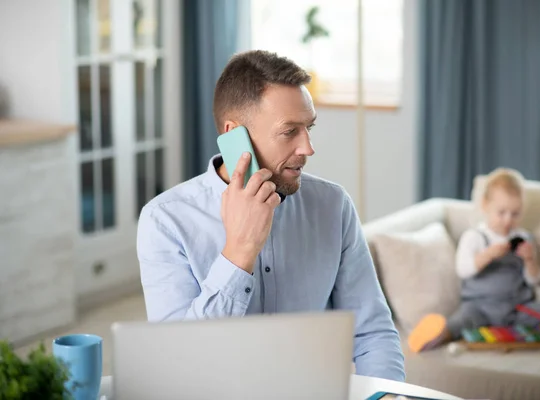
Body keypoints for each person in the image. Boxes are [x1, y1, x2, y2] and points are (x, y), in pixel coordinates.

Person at [136, 50, 405, 381]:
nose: (308, 148)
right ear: (235, 135)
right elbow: (178, 364)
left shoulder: (333, 206)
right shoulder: (165, 221)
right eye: (290, 131)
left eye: (309, 128)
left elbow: (372, 336)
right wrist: (239, 253)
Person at [408, 168, 540, 352]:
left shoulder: (524, 238)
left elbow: (535, 280)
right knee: (461, 321)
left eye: (515, 214)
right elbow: (463, 270)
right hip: (480, 306)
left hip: (516, 308)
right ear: (485, 205)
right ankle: (435, 335)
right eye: (501, 213)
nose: (508, 220)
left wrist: (530, 260)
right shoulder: (475, 237)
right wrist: (488, 255)